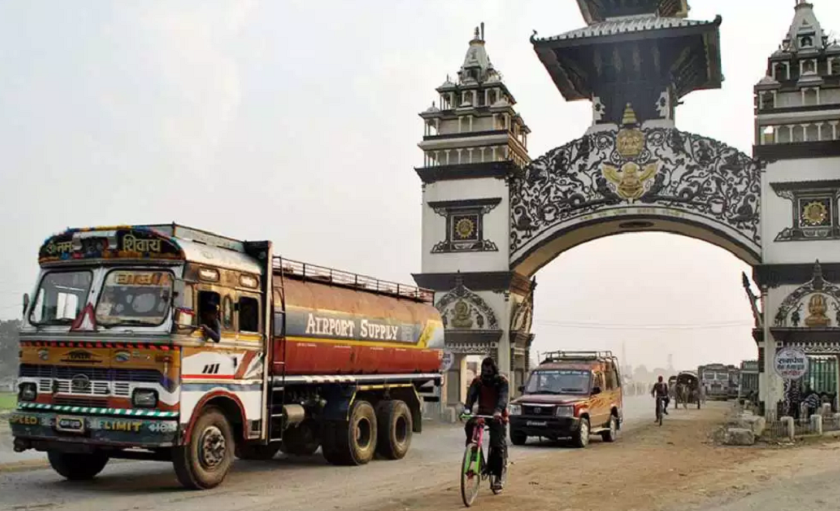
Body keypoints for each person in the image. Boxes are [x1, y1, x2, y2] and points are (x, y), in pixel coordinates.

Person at [462, 357, 509, 491]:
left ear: (494, 370)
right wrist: (467, 410)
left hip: (497, 414)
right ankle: (475, 453)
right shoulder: (477, 381)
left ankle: (498, 477)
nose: (486, 373)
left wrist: (498, 411)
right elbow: (470, 397)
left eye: (489, 371)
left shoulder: (502, 381)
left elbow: (503, 398)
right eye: (484, 370)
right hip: (482, 413)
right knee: (470, 426)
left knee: (497, 445)